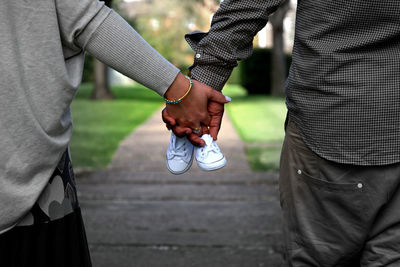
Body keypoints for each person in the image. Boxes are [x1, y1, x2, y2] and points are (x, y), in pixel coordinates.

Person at [163, 0, 400, 266]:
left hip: (335, 124)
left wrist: (200, 85)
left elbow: (249, 5)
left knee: (319, 257)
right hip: (351, 124)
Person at [0, 0, 229, 266]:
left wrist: (180, 90)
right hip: (28, 167)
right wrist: (181, 91)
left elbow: (84, 18)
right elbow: (86, 19)